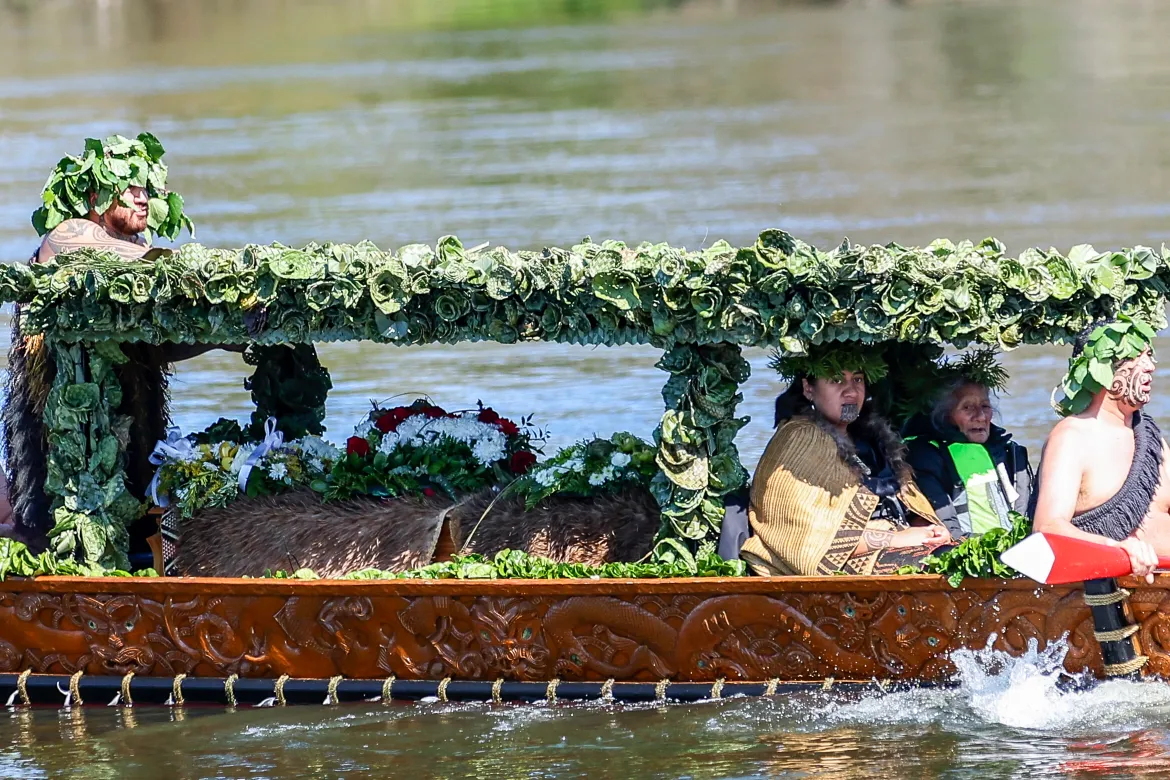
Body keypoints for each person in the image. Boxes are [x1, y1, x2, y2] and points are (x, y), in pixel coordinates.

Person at [1, 134, 214, 557]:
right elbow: (98, 249)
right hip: (65, 459)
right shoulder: (72, 233)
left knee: (151, 524)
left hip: (130, 442)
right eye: (130, 186)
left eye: (147, 188)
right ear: (96, 195)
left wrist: (227, 337)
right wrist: (187, 267)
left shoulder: (135, 257)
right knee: (54, 539)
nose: (143, 197)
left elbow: (156, 348)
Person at [740, 345, 951, 576]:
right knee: (939, 566)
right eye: (836, 380)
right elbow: (807, 541)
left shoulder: (876, 441)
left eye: (858, 380)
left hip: (903, 546)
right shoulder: (801, 438)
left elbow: (912, 510)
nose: (851, 392)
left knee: (972, 558)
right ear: (808, 388)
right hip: (841, 568)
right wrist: (897, 539)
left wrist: (929, 532)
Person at [1030, 317, 1167, 582]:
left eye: (1149, 356)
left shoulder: (1149, 436)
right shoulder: (1073, 437)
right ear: (1102, 370)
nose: (1150, 367)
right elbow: (1047, 529)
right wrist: (1118, 548)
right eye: (1136, 359)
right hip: (1113, 592)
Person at [903, 372, 1032, 541]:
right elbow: (948, 529)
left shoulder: (1008, 452)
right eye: (967, 407)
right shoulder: (928, 456)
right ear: (945, 415)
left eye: (985, 406)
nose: (980, 416)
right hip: (967, 552)